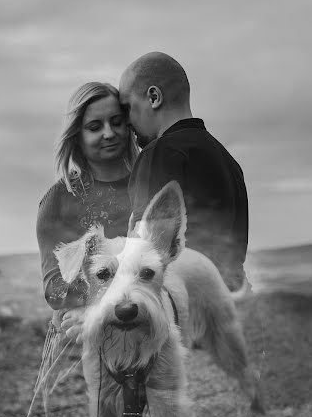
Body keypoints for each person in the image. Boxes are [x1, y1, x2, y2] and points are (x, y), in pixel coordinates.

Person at [119, 51, 248, 291]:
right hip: (226, 308)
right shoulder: (229, 162)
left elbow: (144, 257)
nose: (126, 122)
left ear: (154, 97)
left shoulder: (158, 154)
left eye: (128, 107)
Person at [37, 82, 138, 315]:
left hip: (149, 337)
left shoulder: (149, 186)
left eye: (116, 122)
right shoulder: (59, 200)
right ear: (77, 136)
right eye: (94, 127)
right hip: (78, 343)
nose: (109, 133)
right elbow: (55, 291)